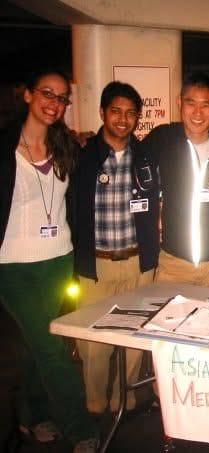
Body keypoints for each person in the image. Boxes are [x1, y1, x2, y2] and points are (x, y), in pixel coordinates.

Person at [0, 69, 99, 452]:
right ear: (27, 94)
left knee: (34, 343)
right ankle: (82, 429)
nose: (54, 103)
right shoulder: (5, 149)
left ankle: (34, 415)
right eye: (47, 93)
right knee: (51, 346)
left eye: (61, 98)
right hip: (12, 266)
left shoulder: (66, 147)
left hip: (58, 259)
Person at [73, 81, 160, 415]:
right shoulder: (82, 156)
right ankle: (95, 404)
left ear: (137, 117)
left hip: (138, 263)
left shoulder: (146, 156)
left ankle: (123, 398)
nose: (123, 119)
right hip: (97, 265)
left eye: (130, 113)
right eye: (116, 111)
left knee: (134, 336)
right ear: (102, 113)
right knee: (93, 343)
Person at [143, 71, 209, 288]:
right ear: (179, 102)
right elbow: (130, 157)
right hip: (174, 264)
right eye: (190, 103)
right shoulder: (163, 139)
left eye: (206, 105)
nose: (197, 112)